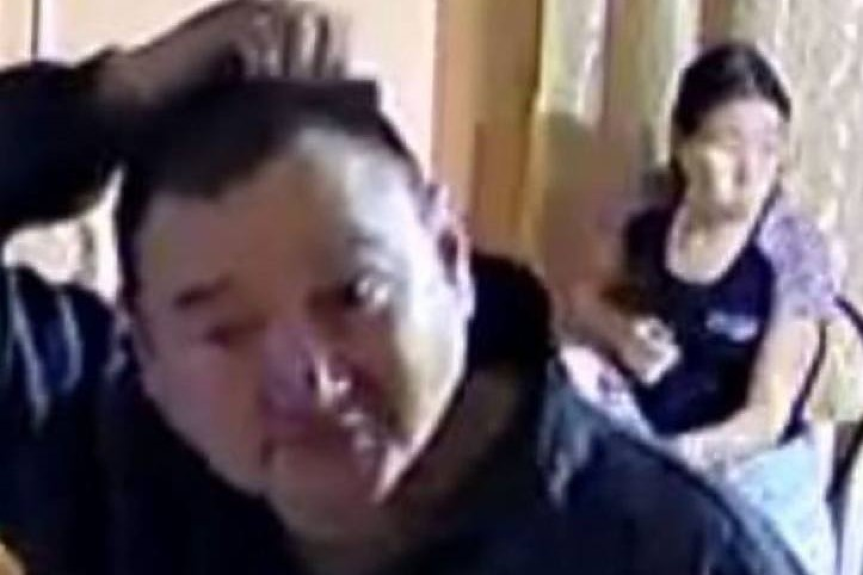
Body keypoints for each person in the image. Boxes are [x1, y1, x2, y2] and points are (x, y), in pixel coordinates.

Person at [0, 1, 345, 572]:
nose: (310, 378)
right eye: (225, 330)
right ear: (145, 344)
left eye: (352, 297)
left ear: (446, 257)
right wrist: (106, 100)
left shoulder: (511, 504)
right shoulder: (104, 449)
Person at [553, 42, 837, 575]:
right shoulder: (647, 214)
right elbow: (581, 300)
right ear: (684, 146)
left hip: (753, 477)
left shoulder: (795, 248)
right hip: (652, 450)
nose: (751, 170)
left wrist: (678, 463)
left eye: (769, 147)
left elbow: (767, 415)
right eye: (729, 144)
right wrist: (622, 332)